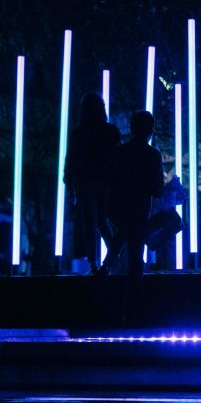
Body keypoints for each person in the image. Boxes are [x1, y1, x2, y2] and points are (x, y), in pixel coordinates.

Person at [99, 111, 164, 280]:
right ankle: (134, 294)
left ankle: (106, 267)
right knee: (136, 251)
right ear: (150, 129)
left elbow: (109, 179)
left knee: (122, 234)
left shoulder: (120, 152)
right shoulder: (153, 155)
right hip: (140, 209)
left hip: (118, 207)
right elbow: (156, 189)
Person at [64, 92, 120, 273]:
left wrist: (69, 183)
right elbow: (115, 157)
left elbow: (71, 159)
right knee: (102, 222)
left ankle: (94, 264)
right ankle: (112, 258)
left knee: (90, 222)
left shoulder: (78, 133)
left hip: (85, 182)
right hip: (106, 182)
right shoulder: (110, 131)